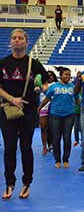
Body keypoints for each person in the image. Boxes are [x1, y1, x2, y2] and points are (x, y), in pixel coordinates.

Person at [0, 29, 49, 199]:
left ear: (26, 43)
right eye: (14, 38)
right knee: (9, 148)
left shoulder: (34, 64)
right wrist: (12, 99)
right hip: (8, 110)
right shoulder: (3, 63)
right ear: (10, 42)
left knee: (26, 147)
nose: (17, 40)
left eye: (21, 38)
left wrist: (40, 88)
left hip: (28, 111)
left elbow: (47, 83)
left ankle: (27, 182)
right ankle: (9, 183)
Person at [38, 67, 78, 169]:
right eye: (65, 74)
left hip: (69, 114)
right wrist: (40, 107)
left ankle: (65, 159)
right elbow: (47, 98)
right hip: (55, 114)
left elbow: (77, 99)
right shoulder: (54, 86)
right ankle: (57, 159)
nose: (68, 76)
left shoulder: (73, 87)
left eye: (69, 74)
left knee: (67, 137)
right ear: (60, 76)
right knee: (56, 138)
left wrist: (81, 108)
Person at [38, 70, 57, 155]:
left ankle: (53, 145)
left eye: (51, 75)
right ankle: (44, 146)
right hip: (43, 108)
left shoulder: (56, 85)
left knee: (53, 128)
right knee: (43, 127)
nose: (49, 77)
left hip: (54, 108)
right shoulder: (41, 85)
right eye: (48, 75)